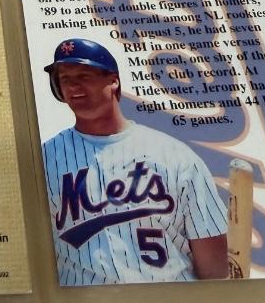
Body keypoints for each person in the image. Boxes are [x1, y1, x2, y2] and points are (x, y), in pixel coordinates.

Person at [42, 38, 228, 285]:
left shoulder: (175, 156)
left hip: (169, 299)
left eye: (84, 75)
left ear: (113, 81)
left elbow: (213, 267)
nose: (73, 85)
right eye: (65, 78)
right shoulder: (43, 160)